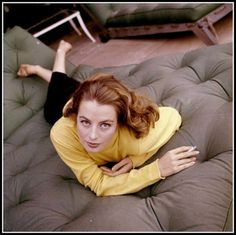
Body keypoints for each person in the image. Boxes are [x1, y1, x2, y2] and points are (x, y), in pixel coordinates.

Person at [17, 40, 199, 197]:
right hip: (62, 107)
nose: (92, 136)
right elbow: (98, 184)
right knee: (58, 86)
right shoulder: (62, 132)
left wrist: (137, 160)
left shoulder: (132, 138)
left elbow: (173, 116)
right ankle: (55, 56)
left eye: (105, 125)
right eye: (85, 122)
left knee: (62, 82)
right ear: (76, 117)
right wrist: (156, 170)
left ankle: (49, 66)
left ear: (120, 121)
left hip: (91, 100)